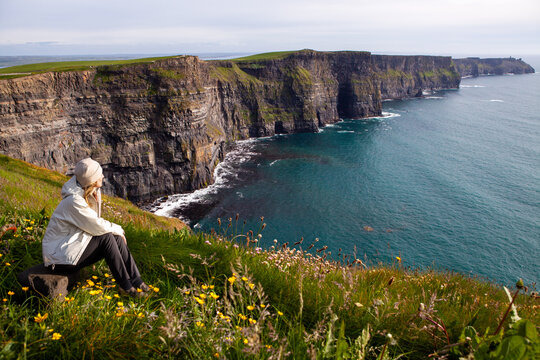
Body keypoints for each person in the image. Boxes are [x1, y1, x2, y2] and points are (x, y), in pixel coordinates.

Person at [42, 158, 148, 298]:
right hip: (58, 258)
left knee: (113, 236)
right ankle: (126, 288)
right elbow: (96, 226)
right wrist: (119, 229)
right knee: (106, 237)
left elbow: (94, 224)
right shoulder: (74, 201)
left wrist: (116, 232)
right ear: (91, 180)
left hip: (71, 246)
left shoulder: (88, 191)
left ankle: (136, 281)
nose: (103, 176)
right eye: (100, 174)